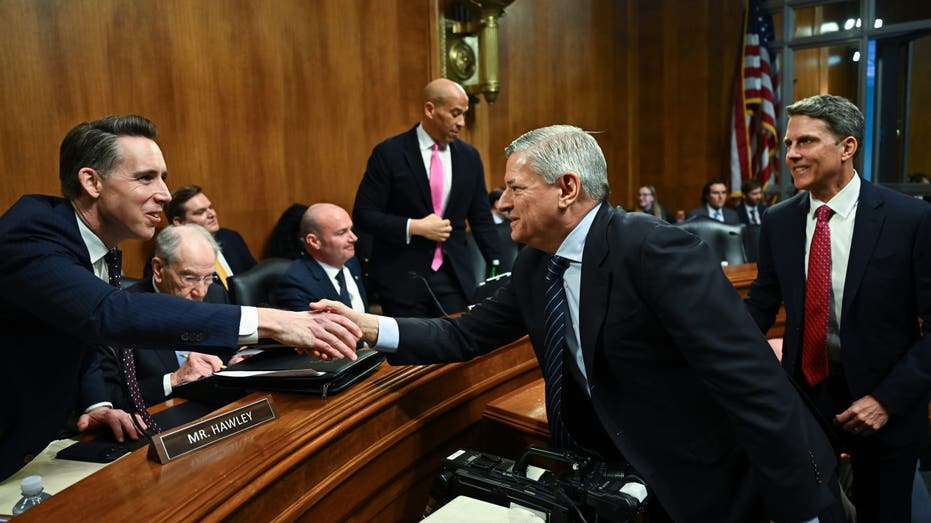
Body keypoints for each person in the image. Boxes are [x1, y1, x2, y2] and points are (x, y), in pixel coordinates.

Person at [321, 125, 843, 522]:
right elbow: (465, 333)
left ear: (567, 188)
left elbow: (748, 378)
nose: (500, 205)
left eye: (514, 189)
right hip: (602, 470)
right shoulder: (534, 262)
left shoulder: (653, 248)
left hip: (694, 476)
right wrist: (370, 327)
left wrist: (802, 506)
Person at [0, 114, 360, 480]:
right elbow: (107, 314)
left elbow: (77, 326)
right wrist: (271, 320)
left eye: (163, 178)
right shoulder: (32, 235)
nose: (166, 195)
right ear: (92, 181)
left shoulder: (96, 244)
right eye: (145, 178)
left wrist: (97, 403)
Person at [745, 94, 931, 522]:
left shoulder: (910, 220)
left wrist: (886, 401)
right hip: (804, 402)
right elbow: (758, 306)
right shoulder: (779, 221)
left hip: (885, 406)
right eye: (789, 144)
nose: (791, 155)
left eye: (806, 142)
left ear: (847, 148)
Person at [353, 78, 501, 317]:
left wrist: (498, 265)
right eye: (455, 114)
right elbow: (364, 215)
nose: (461, 122)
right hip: (402, 277)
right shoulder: (389, 153)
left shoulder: (469, 157)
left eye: (464, 114)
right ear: (430, 109)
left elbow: (481, 218)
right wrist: (415, 226)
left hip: (454, 276)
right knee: (412, 353)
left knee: (459, 349)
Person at [103, 224, 235, 408]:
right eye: (189, 278)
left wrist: (237, 359)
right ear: (158, 269)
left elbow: (227, 351)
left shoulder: (216, 294)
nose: (201, 292)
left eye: (208, 278)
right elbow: (112, 398)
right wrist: (174, 379)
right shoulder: (122, 312)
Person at [143, 185, 257, 287]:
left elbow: (256, 278)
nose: (211, 214)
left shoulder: (231, 237)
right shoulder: (164, 256)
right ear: (179, 222)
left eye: (210, 207)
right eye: (200, 212)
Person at [274, 203, 368, 313]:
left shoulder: (351, 263)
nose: (354, 238)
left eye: (351, 230)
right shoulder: (296, 282)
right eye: (341, 233)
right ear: (314, 241)